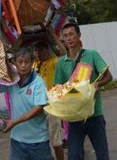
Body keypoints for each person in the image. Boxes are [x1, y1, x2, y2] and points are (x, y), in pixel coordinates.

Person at [54, 23, 112, 160]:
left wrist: (98, 84)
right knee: (74, 156)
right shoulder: (61, 63)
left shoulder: (91, 55)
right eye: (66, 36)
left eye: (71, 34)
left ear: (79, 35)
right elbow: (58, 88)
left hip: (94, 114)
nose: (69, 38)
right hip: (74, 117)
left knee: (102, 154)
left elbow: (108, 76)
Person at [0, 47, 53, 160]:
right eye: (20, 62)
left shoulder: (38, 83)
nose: (23, 65)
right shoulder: (11, 81)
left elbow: (38, 109)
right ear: (15, 63)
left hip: (38, 142)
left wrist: (14, 122)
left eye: (27, 62)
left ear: (32, 63)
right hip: (17, 141)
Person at [32, 26, 67, 160]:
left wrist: (54, 36)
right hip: (37, 107)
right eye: (35, 50)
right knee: (41, 141)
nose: (37, 53)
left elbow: (64, 54)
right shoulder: (34, 64)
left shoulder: (53, 62)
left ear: (47, 50)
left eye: (40, 49)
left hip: (51, 106)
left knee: (56, 141)